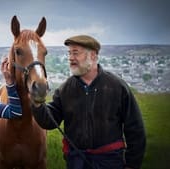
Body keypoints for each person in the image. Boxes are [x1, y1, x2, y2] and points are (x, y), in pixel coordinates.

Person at [29, 35, 146, 169]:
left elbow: (135, 129)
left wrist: (132, 165)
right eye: (69, 53)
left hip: (110, 161)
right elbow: (50, 121)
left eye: (76, 53)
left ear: (93, 56)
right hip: (76, 161)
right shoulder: (65, 89)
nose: (71, 58)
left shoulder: (117, 87)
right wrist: (37, 103)